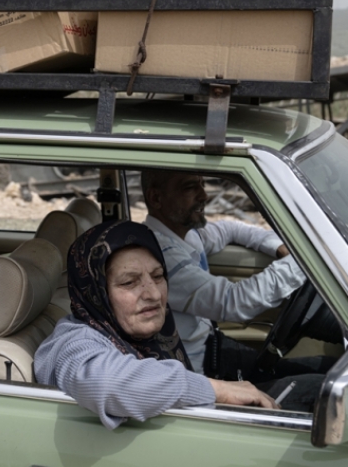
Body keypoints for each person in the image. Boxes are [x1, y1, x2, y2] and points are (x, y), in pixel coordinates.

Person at [34, 221, 280, 430]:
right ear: (97, 293)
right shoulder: (73, 342)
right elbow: (107, 383)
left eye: (158, 276)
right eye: (129, 282)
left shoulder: (135, 332)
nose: (153, 294)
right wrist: (217, 389)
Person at [141, 169, 331, 383]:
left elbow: (231, 229)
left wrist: (279, 247)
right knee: (321, 384)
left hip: (213, 348)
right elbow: (234, 301)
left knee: (327, 370)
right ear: (156, 198)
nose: (204, 195)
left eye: (202, 184)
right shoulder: (158, 256)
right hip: (200, 373)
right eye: (190, 187)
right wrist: (304, 259)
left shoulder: (186, 235)